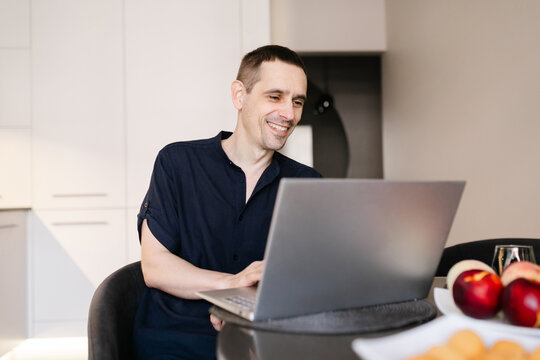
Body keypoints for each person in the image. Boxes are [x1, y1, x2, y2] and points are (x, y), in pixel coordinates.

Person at [133, 45, 322, 360]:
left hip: (263, 343)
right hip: (176, 341)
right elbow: (155, 266)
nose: (289, 114)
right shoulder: (177, 162)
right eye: (275, 97)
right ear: (239, 96)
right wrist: (231, 287)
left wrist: (247, 306)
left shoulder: (308, 184)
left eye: (297, 101)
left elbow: (308, 275)